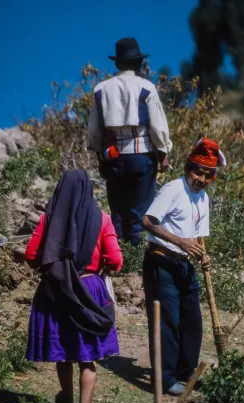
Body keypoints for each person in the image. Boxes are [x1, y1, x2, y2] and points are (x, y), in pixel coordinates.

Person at [25, 170, 123, 403]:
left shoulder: (49, 218)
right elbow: (116, 260)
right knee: (87, 356)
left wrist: (55, 265)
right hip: (89, 289)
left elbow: (32, 254)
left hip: (56, 289)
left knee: (64, 352)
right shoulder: (102, 219)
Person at [142, 138, 226, 395]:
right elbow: (147, 221)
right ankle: (165, 381)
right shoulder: (173, 190)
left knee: (192, 321)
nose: (200, 178)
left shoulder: (202, 198)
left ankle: (185, 372)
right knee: (168, 322)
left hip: (184, 264)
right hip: (161, 261)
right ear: (188, 168)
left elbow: (198, 235)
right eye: (197, 171)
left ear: (212, 177)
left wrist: (202, 255)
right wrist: (180, 242)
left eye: (207, 174)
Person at [88, 37, 172, 246]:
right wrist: (163, 151)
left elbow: (94, 130)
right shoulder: (146, 88)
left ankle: (115, 254)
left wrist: (100, 155)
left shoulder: (101, 90)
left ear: (117, 63)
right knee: (139, 211)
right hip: (142, 156)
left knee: (118, 211)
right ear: (138, 63)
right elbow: (157, 126)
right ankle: (134, 256)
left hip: (113, 157)